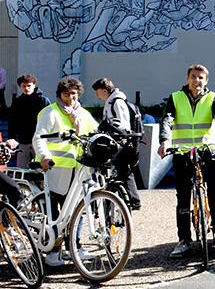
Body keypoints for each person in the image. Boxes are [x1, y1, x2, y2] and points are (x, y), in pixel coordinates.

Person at [158, 64, 215, 258]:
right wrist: (165, 141)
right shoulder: (176, 98)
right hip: (182, 152)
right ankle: (184, 240)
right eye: (193, 76)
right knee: (183, 197)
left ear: (206, 81)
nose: (196, 80)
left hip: (206, 150)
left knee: (213, 188)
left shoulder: (212, 98)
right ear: (187, 79)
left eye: (201, 77)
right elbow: (167, 119)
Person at [33, 76, 99, 267]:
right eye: (67, 94)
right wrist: (44, 156)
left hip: (78, 170)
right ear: (60, 95)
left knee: (77, 210)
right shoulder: (50, 112)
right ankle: (53, 251)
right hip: (55, 168)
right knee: (54, 213)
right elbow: (39, 137)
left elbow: (96, 132)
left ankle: (74, 247)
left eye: (74, 94)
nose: (71, 97)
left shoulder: (83, 114)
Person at [92, 78, 142, 210]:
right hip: (119, 141)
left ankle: (128, 201)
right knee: (123, 172)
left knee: (120, 172)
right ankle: (130, 200)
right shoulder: (112, 101)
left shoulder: (116, 101)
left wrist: (109, 128)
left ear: (104, 90)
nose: (97, 95)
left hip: (120, 142)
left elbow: (123, 124)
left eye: (98, 92)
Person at [9, 74, 50, 167]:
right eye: (24, 86)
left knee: (42, 169)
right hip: (24, 141)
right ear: (20, 86)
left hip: (40, 140)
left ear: (34, 85)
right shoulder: (17, 102)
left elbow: (50, 120)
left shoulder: (43, 101)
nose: (26, 88)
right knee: (22, 169)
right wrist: (12, 138)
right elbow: (12, 121)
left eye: (29, 85)